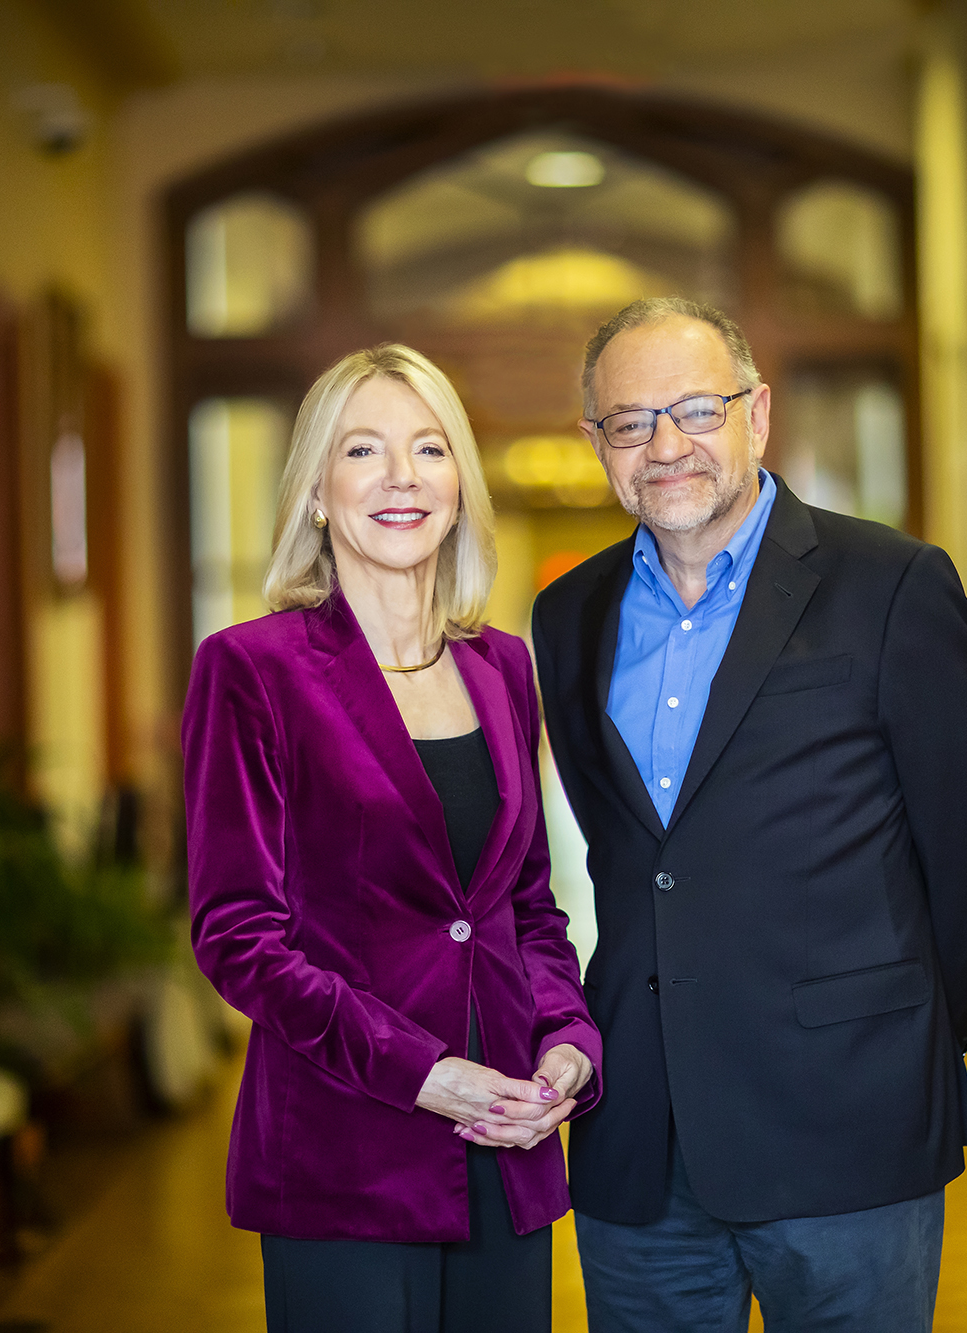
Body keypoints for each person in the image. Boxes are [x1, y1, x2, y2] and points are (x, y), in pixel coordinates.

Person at [530, 297, 967, 1332]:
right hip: (638, 1133)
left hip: (847, 1117)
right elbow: (625, 851)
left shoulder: (891, 584)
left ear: (757, 412)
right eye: (629, 422)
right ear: (596, 444)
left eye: (696, 410)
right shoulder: (565, 614)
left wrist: (914, 1034)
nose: (666, 446)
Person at [183, 344, 600, 1333]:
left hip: (506, 1140)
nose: (401, 476)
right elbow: (237, 934)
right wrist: (420, 1071)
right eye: (363, 449)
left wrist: (566, 1047)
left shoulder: (502, 668)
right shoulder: (252, 669)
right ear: (318, 492)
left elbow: (526, 905)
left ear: (460, 485)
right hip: (346, 1153)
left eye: (428, 448)